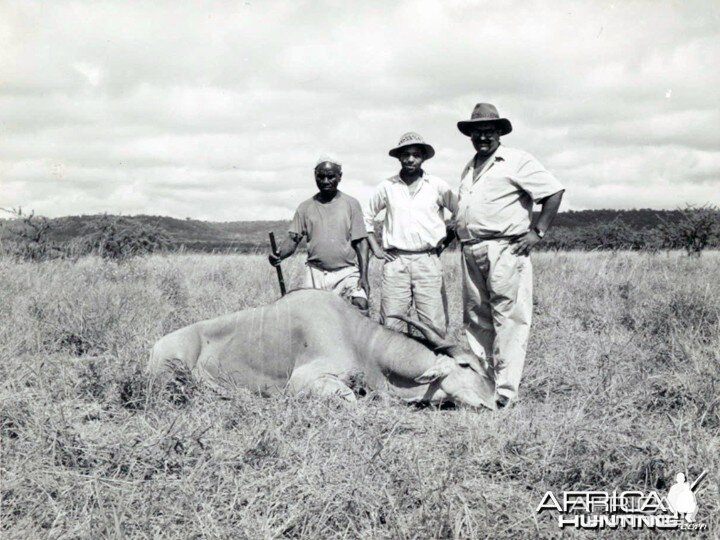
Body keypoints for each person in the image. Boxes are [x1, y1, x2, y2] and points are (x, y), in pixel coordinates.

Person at [455, 103, 565, 408]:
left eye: (489, 131)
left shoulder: (516, 160)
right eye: (478, 132)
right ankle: (484, 385)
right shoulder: (469, 167)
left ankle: (505, 393)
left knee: (509, 318)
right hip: (470, 248)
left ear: (500, 133)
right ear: (471, 135)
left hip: (505, 248)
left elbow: (553, 191)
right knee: (477, 318)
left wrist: (537, 231)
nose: (483, 137)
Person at [364, 132, 457, 335]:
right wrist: (377, 249)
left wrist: (443, 242)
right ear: (399, 157)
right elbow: (366, 218)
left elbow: (462, 214)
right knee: (391, 324)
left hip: (428, 260)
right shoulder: (387, 187)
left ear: (423, 157)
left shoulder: (437, 186)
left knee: (433, 325)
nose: (410, 159)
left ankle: (435, 365)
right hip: (396, 261)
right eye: (406, 154)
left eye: (415, 154)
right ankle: (393, 367)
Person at [269, 156, 369, 313]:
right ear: (315, 176)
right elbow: (293, 239)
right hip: (315, 273)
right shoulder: (305, 207)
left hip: (347, 272)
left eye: (331, 176)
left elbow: (361, 242)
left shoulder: (351, 204)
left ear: (340, 177)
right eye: (321, 176)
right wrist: (278, 254)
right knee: (310, 316)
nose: (326, 181)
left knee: (360, 305)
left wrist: (364, 276)